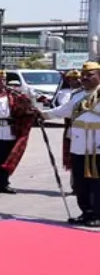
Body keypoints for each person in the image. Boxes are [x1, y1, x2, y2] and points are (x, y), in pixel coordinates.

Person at [40, 61, 100, 226]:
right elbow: (63, 111)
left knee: (96, 182)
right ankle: (86, 211)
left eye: (90, 75)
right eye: (84, 75)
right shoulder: (77, 95)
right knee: (80, 182)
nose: (85, 78)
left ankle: (97, 214)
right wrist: (43, 115)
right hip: (79, 144)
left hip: (97, 145)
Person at [56, 69, 84, 195]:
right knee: (75, 159)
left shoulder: (86, 92)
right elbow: (65, 110)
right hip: (72, 129)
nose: (76, 81)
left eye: (78, 78)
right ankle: (76, 185)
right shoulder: (65, 94)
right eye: (73, 79)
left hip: (87, 130)